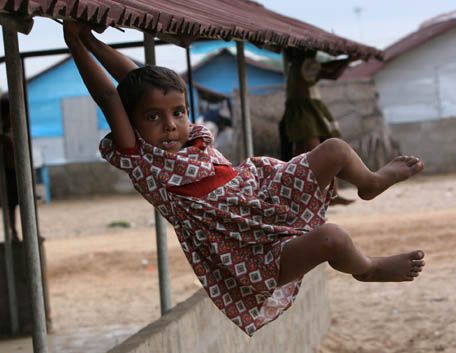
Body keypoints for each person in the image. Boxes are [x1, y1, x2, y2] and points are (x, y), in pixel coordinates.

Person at [64, 22, 425, 336]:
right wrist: (75, 43)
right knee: (333, 238)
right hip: (249, 249)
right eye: (154, 118)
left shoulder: (190, 139)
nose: (170, 124)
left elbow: (135, 84)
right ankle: (367, 268)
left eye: (177, 112)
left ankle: (370, 182)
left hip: (264, 195)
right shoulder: (145, 162)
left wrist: (93, 41)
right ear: (133, 124)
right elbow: (113, 97)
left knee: (334, 149)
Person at [280, 49, 356, 205]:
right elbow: (332, 74)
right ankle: (328, 194)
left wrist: (346, 60)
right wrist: (348, 60)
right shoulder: (305, 65)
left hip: (306, 112)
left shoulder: (299, 66)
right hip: (306, 114)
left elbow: (327, 68)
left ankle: (328, 194)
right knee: (318, 153)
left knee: (303, 154)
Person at [0, 96, 20, 242]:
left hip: (11, 173)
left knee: (12, 205)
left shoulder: (10, 132)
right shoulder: (7, 133)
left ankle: (13, 232)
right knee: (11, 205)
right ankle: (13, 232)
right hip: (9, 173)